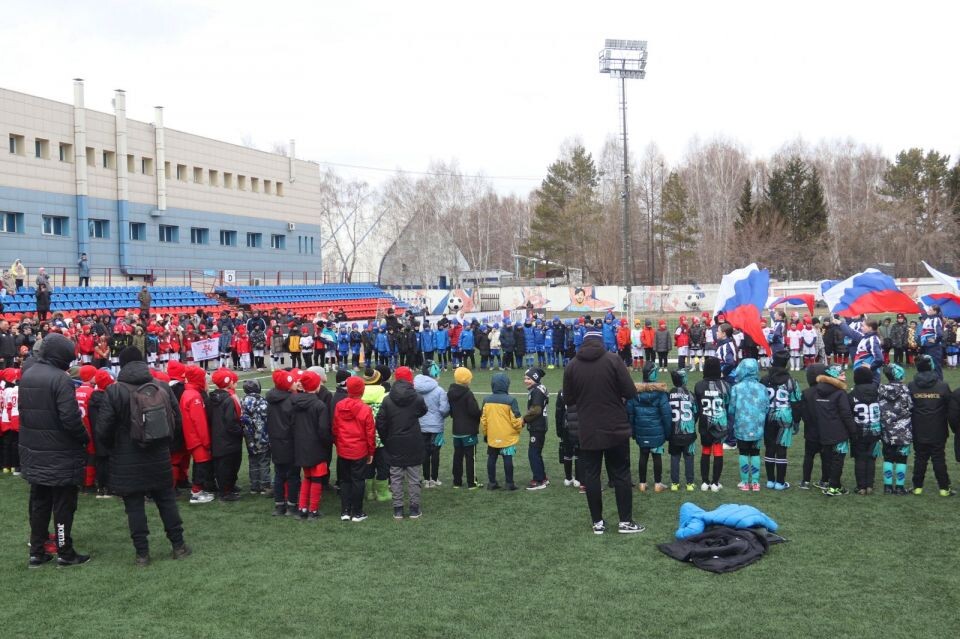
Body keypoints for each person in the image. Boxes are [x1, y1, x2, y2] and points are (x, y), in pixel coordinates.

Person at [94, 346, 190, 566]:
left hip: (126, 458)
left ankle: (142, 554)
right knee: (166, 502)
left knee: (134, 507)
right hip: (158, 455)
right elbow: (176, 421)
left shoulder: (114, 391)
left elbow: (103, 429)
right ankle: (178, 545)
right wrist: (165, 444)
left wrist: (113, 448)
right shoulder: (162, 387)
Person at [19, 333, 91, 567]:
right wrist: (83, 437)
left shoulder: (28, 375)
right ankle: (64, 550)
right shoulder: (61, 380)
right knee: (63, 504)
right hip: (60, 452)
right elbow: (70, 419)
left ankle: (37, 551)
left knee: (39, 502)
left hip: (34, 450)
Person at [562, 327, 642, 535]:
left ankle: (597, 522)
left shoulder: (572, 366)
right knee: (621, 474)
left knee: (591, 475)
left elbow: (568, 399)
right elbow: (630, 391)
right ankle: (625, 521)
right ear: (602, 342)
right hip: (615, 427)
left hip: (588, 429)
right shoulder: (613, 360)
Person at [376, 366, 428, 518]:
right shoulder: (417, 398)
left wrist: (387, 438)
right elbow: (423, 410)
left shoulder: (387, 400)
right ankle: (414, 508)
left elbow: (381, 423)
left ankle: (398, 509)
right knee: (413, 477)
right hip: (413, 442)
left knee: (396, 477)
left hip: (394, 441)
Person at [908, 354, 955, 496]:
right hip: (938, 429)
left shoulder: (911, 386)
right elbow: (950, 406)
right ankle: (944, 488)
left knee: (920, 457)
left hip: (918, 428)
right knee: (938, 457)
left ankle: (917, 488)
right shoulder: (942, 386)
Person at [333, 376, 375, 522]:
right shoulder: (365, 409)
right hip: (359, 450)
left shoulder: (340, 405)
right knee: (358, 480)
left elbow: (336, 428)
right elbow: (370, 433)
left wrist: (339, 444)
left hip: (344, 448)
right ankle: (357, 512)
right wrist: (371, 451)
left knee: (345, 480)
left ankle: (345, 511)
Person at [290, 371, 332, 520]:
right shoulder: (319, 405)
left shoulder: (294, 401)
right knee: (317, 479)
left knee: (307, 477)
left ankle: (302, 508)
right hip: (317, 447)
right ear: (316, 385)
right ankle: (313, 509)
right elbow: (323, 429)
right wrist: (328, 442)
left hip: (301, 445)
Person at [810, 365, 857, 496]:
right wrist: (853, 431)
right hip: (839, 433)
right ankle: (834, 487)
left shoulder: (817, 391)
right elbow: (846, 414)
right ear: (833, 376)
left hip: (823, 431)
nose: (845, 376)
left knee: (828, 458)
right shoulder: (840, 393)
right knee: (838, 460)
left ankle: (827, 482)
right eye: (841, 374)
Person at [761, 351, 802, 490]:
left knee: (769, 448)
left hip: (768, 417)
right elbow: (797, 403)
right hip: (785, 418)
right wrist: (796, 421)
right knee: (781, 449)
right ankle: (780, 482)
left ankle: (770, 481)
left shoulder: (764, 380)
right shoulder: (792, 381)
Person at [628, 362, 670, 493]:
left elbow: (630, 414)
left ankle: (642, 483)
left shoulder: (635, 393)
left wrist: (633, 432)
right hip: (657, 431)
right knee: (657, 456)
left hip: (641, 430)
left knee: (643, 455)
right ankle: (658, 483)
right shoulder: (661, 394)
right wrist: (667, 433)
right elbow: (666, 415)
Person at [728, 358, 767, 492]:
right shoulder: (762, 388)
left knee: (743, 452)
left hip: (742, 426)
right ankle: (755, 483)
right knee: (755, 453)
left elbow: (731, 409)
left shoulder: (736, 388)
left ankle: (745, 482)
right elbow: (766, 406)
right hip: (757, 427)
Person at [480, 372, 523, 491]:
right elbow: (516, 420)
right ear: (507, 385)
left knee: (492, 458)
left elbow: (483, 420)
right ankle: (509, 483)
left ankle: (492, 482)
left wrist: (486, 434)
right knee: (507, 458)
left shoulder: (486, 400)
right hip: (507, 437)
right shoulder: (511, 400)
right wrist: (520, 428)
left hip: (492, 435)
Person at [207, 368, 244, 501]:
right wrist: (240, 431)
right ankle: (225, 492)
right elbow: (231, 421)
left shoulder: (212, 398)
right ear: (229, 383)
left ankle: (228, 487)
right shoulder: (228, 400)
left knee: (224, 464)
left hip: (218, 437)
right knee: (229, 465)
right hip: (229, 438)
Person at [694, 357, 730, 491]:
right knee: (718, 451)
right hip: (720, 423)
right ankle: (715, 483)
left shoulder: (699, 385)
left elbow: (697, 406)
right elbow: (727, 403)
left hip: (705, 422)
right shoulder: (725, 385)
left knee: (706, 450)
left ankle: (704, 482)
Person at [180, 366, 215, 504]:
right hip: (197, 438)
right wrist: (206, 441)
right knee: (201, 465)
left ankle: (197, 490)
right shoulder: (194, 396)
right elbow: (199, 422)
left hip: (192, 436)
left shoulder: (188, 393)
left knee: (199, 464)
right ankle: (196, 492)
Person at [267, 369, 300, 516]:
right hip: (291, 442)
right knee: (293, 475)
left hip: (275, 441)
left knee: (279, 474)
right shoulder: (292, 401)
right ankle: (292, 505)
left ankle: (279, 505)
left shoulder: (271, 399)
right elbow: (295, 424)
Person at [878, 364, 913, 495]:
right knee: (901, 459)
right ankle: (899, 487)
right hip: (903, 432)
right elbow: (911, 406)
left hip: (886, 431)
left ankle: (887, 487)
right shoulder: (905, 390)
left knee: (887, 458)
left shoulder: (881, 389)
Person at [415, 361, 449, 487]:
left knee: (424, 452)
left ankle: (425, 478)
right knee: (435, 452)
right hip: (436, 426)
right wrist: (442, 416)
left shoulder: (416, 388)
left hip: (421, 425)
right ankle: (434, 479)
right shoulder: (439, 390)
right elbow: (444, 409)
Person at [849, 365, 881, 495]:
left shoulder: (851, 394)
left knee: (860, 458)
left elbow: (848, 413)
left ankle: (861, 486)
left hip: (858, 431)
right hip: (875, 430)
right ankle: (869, 485)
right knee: (871, 458)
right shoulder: (878, 392)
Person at [448, 367, 481, 489]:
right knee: (470, 457)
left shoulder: (450, 392)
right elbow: (473, 411)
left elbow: (450, 410)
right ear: (467, 380)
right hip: (468, 430)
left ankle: (457, 482)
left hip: (456, 430)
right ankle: (472, 482)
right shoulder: (468, 393)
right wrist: (481, 412)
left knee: (457, 456)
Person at [667, 369, 698, 492]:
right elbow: (696, 412)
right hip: (689, 433)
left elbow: (666, 412)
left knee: (674, 457)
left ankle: (675, 484)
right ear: (684, 379)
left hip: (674, 433)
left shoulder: (669, 394)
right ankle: (689, 483)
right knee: (689, 457)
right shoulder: (691, 394)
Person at [241, 380, 271, 496]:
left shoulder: (242, 401)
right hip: (262, 436)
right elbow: (267, 418)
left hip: (249, 437)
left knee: (253, 460)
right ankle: (265, 486)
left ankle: (254, 486)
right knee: (264, 461)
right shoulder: (262, 402)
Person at [523, 367, 549, 490]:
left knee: (533, 453)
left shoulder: (537, 391)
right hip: (540, 425)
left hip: (537, 426)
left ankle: (539, 480)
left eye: (528, 378)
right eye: (525, 378)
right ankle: (542, 477)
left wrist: (523, 419)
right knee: (536, 452)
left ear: (535, 378)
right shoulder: (538, 388)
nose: (525, 381)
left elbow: (536, 410)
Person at [1, 367, 21, 475]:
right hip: (10, 418)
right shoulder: (11, 390)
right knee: (13, 443)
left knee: (7, 443)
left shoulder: (6, 389)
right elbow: (9, 406)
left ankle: (6, 466)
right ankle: (13, 465)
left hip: (6, 417)